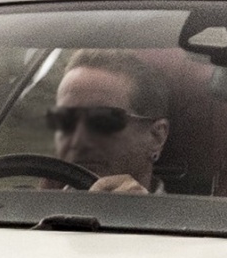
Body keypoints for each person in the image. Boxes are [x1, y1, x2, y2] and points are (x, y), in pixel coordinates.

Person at [47, 50, 169, 194]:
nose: (78, 141)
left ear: (157, 137)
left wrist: (143, 213)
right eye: (65, 120)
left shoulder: (185, 216)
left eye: (102, 121)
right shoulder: (28, 206)